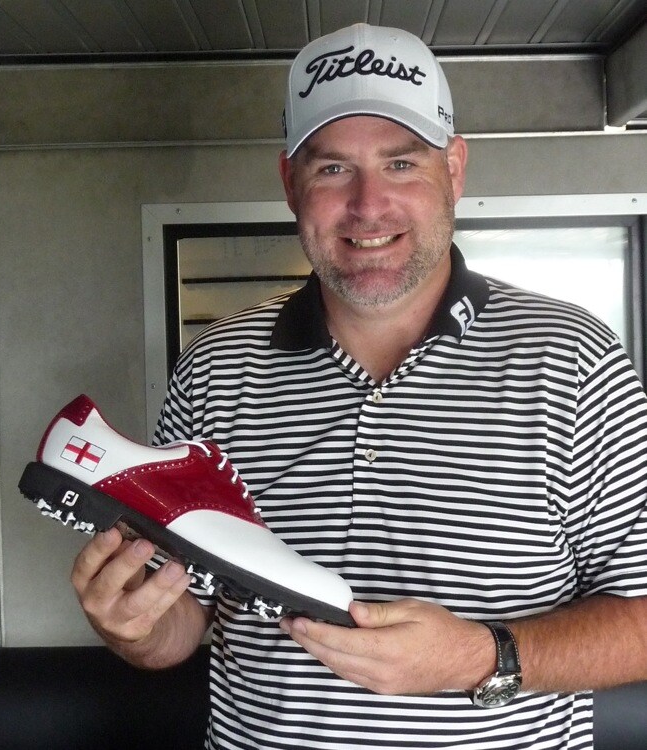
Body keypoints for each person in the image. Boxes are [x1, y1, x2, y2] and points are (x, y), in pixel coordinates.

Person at [70, 22, 647, 750]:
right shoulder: (216, 366)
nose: (369, 205)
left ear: (455, 170)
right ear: (290, 184)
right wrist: (133, 627)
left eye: (402, 163)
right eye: (333, 169)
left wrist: (482, 656)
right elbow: (187, 620)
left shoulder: (575, 359)